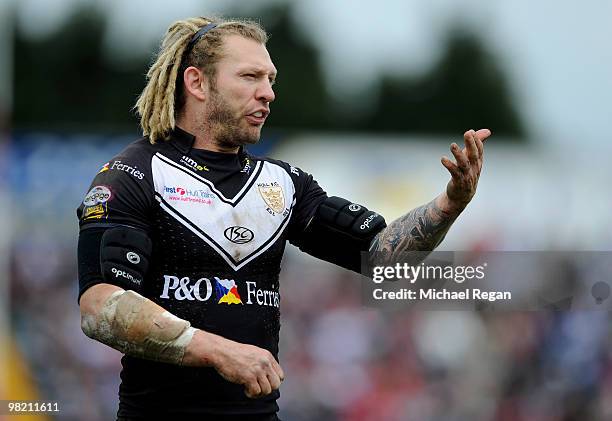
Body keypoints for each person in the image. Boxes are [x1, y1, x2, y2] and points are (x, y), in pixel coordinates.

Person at [76, 16, 491, 420]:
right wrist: (218, 350)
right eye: (250, 77)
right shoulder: (132, 175)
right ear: (197, 82)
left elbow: (382, 257)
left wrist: (449, 204)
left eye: (270, 79)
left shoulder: (282, 183)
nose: (268, 93)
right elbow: (100, 308)